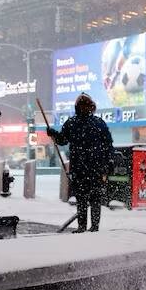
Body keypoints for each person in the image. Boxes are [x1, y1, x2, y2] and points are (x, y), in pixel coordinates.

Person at [47, 93, 113, 233]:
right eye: (82, 106)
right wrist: (53, 133)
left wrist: (109, 161)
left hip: (86, 168)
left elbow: (107, 145)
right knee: (88, 198)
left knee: (87, 198)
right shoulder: (92, 123)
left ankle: (88, 226)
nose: (83, 108)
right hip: (88, 168)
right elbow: (63, 140)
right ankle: (88, 226)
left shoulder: (78, 123)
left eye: (85, 105)